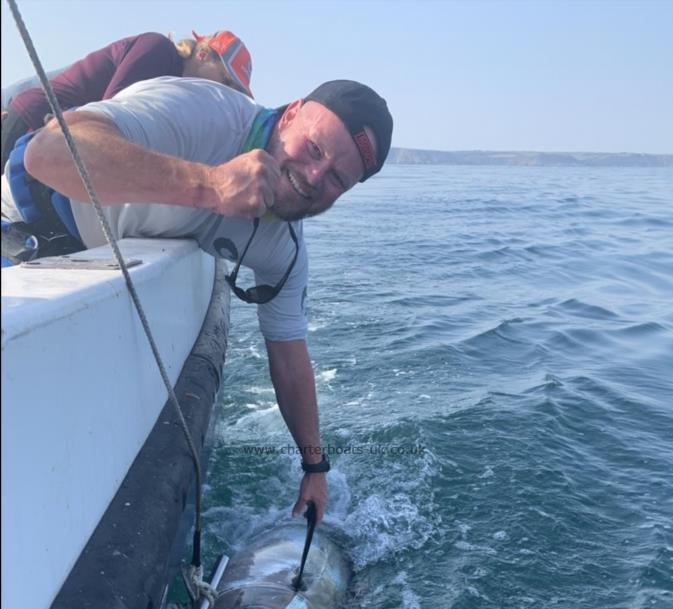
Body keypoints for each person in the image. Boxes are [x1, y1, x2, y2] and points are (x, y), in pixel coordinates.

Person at [0, 76, 393, 523]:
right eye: (315, 149)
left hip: (94, 266)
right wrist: (209, 185)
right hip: (23, 226)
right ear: (289, 115)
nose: (313, 177)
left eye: (337, 179)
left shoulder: (284, 248)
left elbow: (288, 352)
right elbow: (46, 154)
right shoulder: (203, 111)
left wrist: (315, 467)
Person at [1, 30, 253, 170]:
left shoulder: (174, 91)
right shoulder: (160, 50)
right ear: (202, 54)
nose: (226, 92)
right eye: (227, 80)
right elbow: (110, 112)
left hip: (50, 135)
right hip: (31, 122)